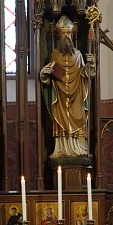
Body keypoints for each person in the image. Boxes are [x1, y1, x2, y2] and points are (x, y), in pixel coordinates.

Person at [40, 16, 91, 160]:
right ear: (59, 36)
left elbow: (85, 76)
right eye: (63, 33)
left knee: (80, 116)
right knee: (61, 119)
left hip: (77, 96)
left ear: (73, 34)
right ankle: (62, 149)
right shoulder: (54, 55)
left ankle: (79, 147)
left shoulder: (79, 55)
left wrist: (90, 66)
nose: (66, 36)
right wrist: (44, 74)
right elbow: (49, 80)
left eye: (68, 33)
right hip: (60, 98)